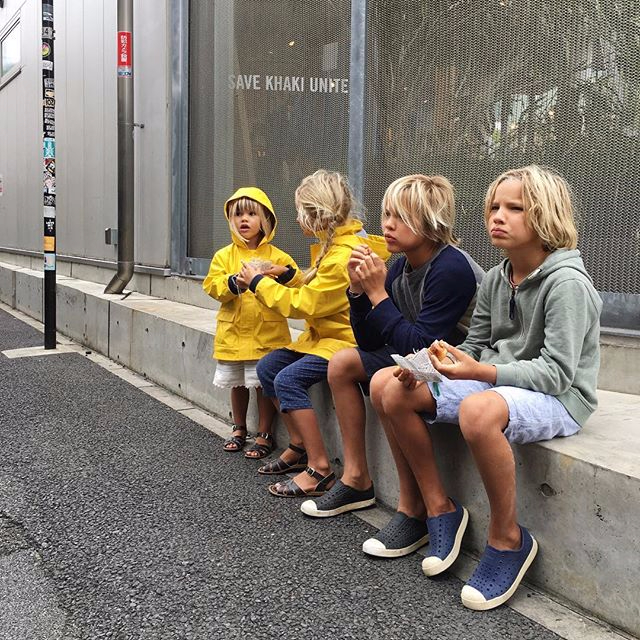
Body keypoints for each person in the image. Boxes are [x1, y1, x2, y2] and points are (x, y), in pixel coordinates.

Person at [369, 165, 602, 611]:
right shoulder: (497, 277)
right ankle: (436, 509)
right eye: (494, 206)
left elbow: (557, 373)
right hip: (501, 382)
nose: (498, 215)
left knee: (478, 412)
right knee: (389, 384)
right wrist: (433, 364)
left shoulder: (567, 284)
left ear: (547, 215)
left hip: (561, 397)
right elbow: (475, 345)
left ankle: (508, 538)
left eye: (515, 208)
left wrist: (483, 372)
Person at [300, 174, 483, 532]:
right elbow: (370, 342)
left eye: (401, 216)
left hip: (463, 361)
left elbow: (420, 345)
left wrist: (378, 294)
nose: (387, 224)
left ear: (431, 221)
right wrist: (358, 293)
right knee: (342, 363)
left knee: (387, 382)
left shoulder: (451, 267)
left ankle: (415, 506)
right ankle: (356, 478)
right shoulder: (400, 267)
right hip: (428, 358)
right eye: (386, 214)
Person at [236, 169, 388, 497]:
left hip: (344, 342)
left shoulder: (343, 255)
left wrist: (258, 282)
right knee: (268, 367)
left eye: (300, 211)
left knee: (287, 379)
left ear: (317, 214)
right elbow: (315, 287)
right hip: (324, 339)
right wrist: (286, 275)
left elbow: (307, 304)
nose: (296, 219)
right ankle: (300, 445)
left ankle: (319, 469)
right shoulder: (332, 245)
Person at [202, 187, 301, 458]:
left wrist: (283, 274)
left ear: (265, 220)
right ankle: (239, 427)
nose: (243, 219)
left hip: (266, 332)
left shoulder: (277, 256)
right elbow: (212, 286)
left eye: (251, 214)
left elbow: (297, 283)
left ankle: (265, 432)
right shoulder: (224, 256)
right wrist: (234, 283)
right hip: (234, 331)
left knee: (262, 384)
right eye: (237, 215)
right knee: (237, 382)